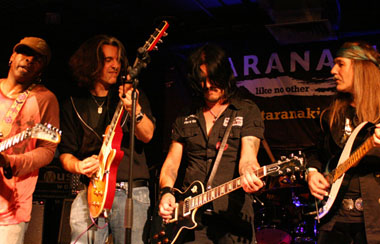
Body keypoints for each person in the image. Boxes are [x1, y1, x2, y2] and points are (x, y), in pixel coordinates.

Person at [158, 43, 265, 243]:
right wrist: (166, 193)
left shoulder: (245, 111)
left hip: (233, 215)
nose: (208, 85)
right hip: (191, 218)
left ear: (225, 74)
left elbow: (248, 157)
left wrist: (250, 171)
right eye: (202, 80)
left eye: (213, 78)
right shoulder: (186, 115)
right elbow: (172, 164)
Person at [58, 35, 155, 244]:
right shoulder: (73, 103)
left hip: (131, 192)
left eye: (118, 60)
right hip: (91, 190)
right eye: (108, 60)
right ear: (91, 63)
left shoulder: (131, 95)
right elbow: (65, 153)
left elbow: (147, 135)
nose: (115, 66)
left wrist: (135, 110)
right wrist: (78, 165)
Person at [306, 41, 380, 244]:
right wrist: (312, 173)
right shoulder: (330, 115)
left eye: (340, 64)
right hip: (333, 220)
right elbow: (315, 153)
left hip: (375, 222)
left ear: (361, 67)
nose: (333, 70)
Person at [0, 37, 59, 244]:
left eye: (37, 59)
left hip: (10, 211)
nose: (29, 60)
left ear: (41, 68)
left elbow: (48, 150)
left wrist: (12, 162)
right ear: (12, 57)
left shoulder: (45, 99)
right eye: (24, 53)